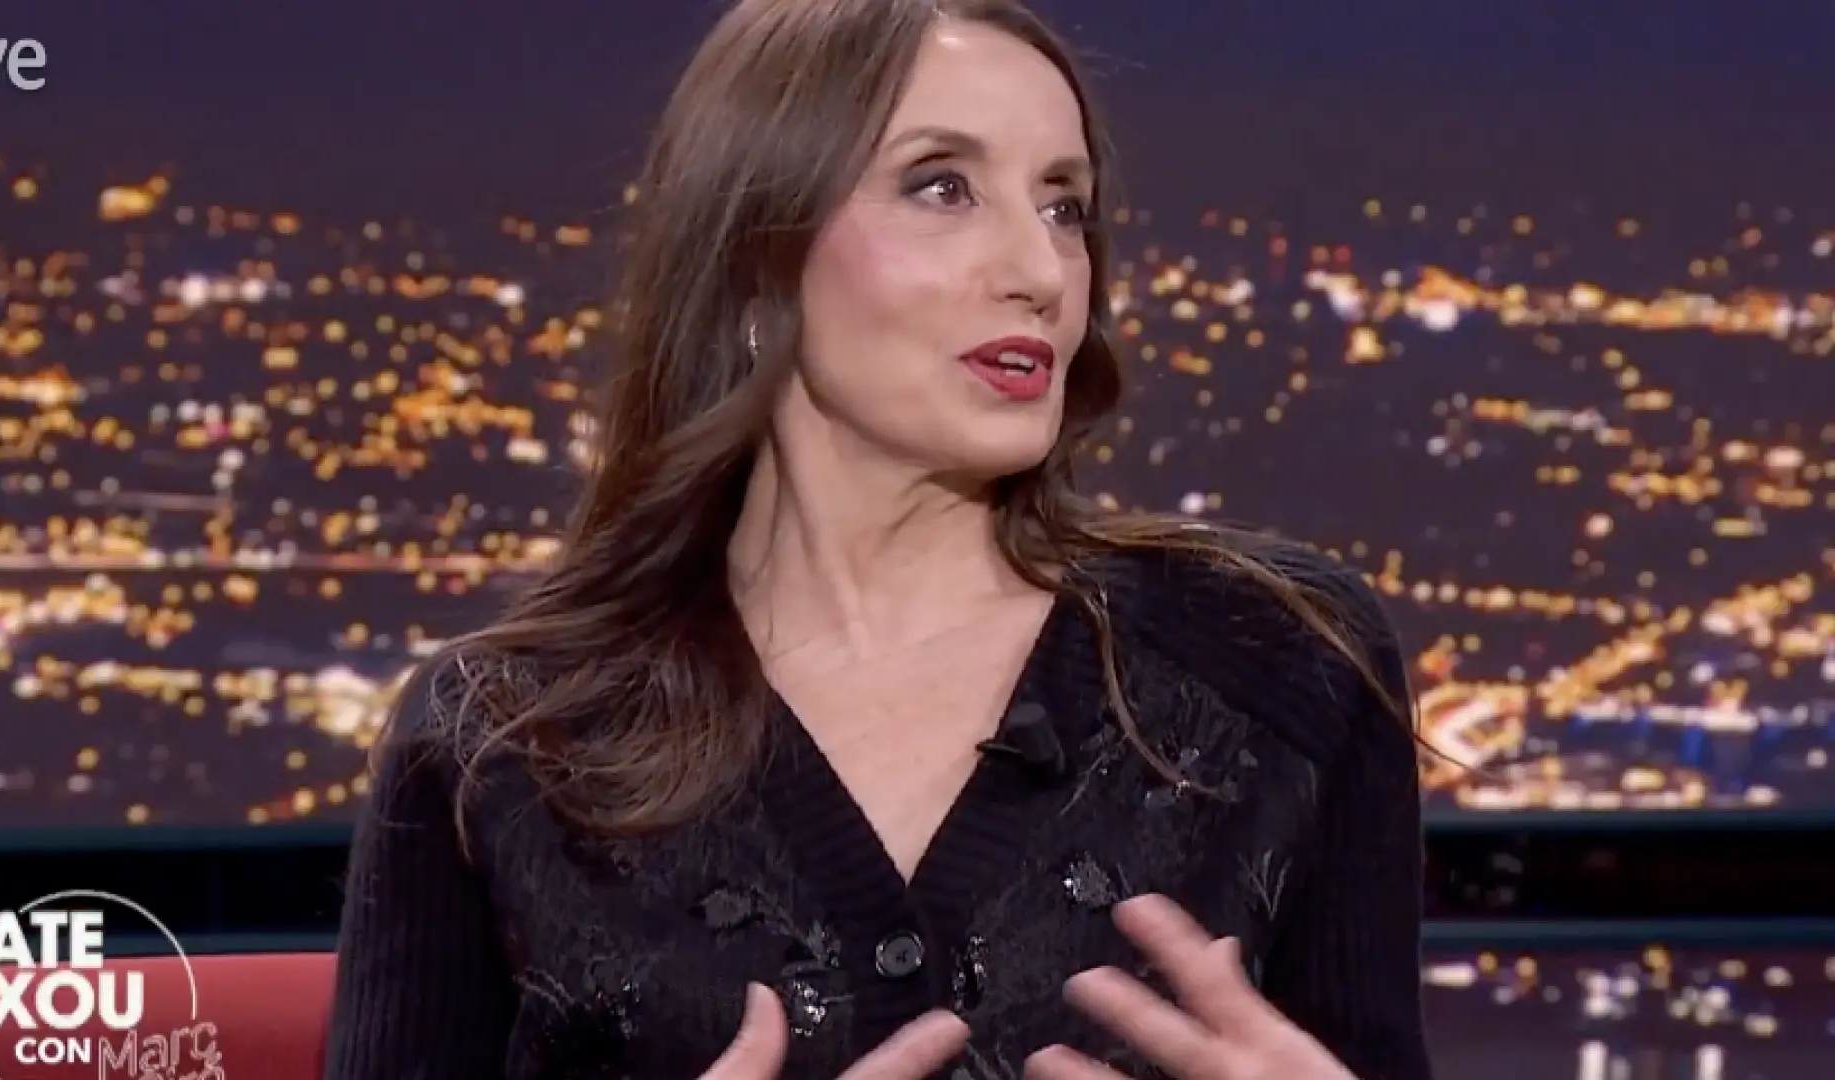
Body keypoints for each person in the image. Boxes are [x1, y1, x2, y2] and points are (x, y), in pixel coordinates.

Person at [323, 0, 1433, 1077]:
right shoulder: (506, 741)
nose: (1040, 273)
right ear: (754, 259)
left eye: (1063, 206)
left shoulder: (1278, 659)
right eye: (942, 187)